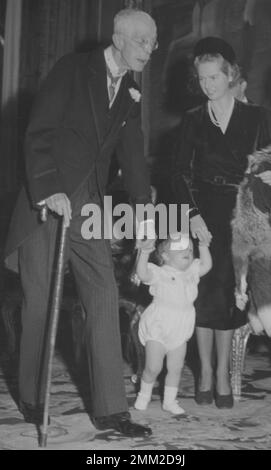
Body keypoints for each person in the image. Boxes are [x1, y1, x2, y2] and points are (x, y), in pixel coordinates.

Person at [4, 8, 158, 437]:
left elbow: (132, 151)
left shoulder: (130, 89)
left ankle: (111, 411)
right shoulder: (73, 69)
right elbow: (39, 132)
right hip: (47, 203)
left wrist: (144, 203)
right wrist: (49, 189)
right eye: (144, 40)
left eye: (154, 42)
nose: (151, 49)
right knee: (41, 302)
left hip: (89, 207)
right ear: (120, 37)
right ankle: (34, 398)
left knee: (104, 294)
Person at [171, 36, 271, 409]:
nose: (209, 85)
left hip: (241, 213)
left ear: (231, 76)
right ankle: (207, 374)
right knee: (203, 295)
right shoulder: (193, 120)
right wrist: (192, 216)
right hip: (202, 212)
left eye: (215, 77)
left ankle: (226, 379)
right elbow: (179, 174)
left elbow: (266, 164)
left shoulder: (257, 117)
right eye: (203, 79)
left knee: (230, 296)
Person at [133, 234, 212, 415]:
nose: (188, 252)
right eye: (182, 249)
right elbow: (142, 273)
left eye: (191, 250)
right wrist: (144, 252)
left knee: (175, 368)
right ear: (166, 256)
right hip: (159, 326)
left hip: (181, 327)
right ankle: (144, 395)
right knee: (153, 367)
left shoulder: (191, 272)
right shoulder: (159, 273)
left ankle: (169, 401)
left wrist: (204, 246)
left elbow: (207, 266)